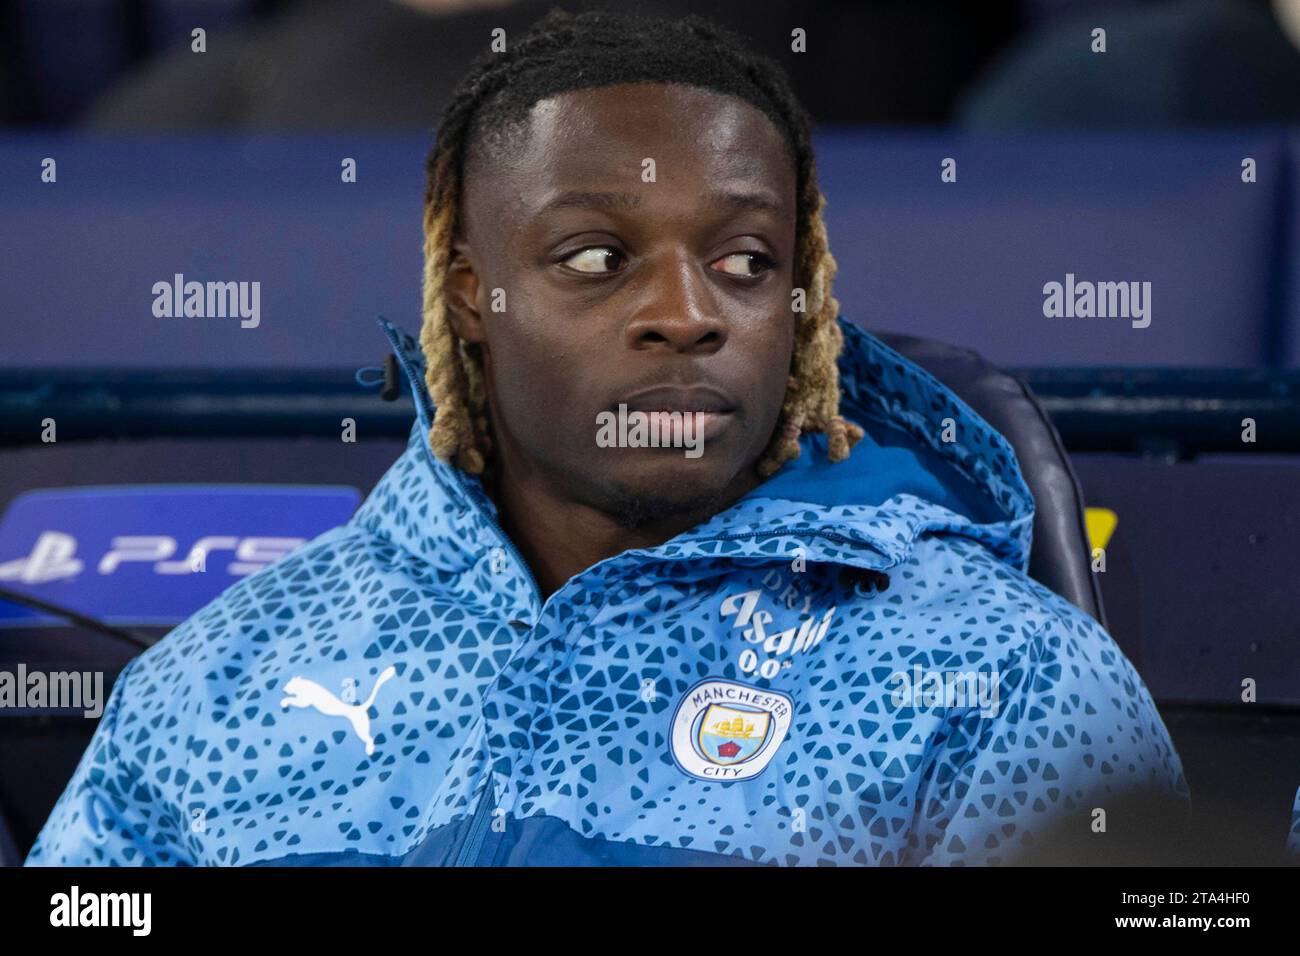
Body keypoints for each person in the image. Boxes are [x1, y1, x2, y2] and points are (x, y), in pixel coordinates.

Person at [26, 9, 1187, 867]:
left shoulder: (1003, 682)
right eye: (595, 256)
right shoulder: (215, 680)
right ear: (469, 293)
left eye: (743, 261)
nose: (686, 311)